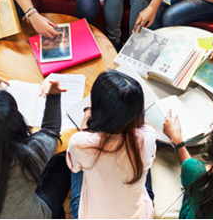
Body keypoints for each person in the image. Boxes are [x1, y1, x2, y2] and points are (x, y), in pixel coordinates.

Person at [0, 52, 71, 220]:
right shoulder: (29, 155)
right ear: (16, 122)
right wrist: (53, 95)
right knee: (61, 164)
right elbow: (50, 131)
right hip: (31, 216)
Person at [67, 70, 157, 220]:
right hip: (139, 216)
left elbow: (75, 167)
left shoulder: (81, 142)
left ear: (99, 110)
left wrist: (89, 109)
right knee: (142, 161)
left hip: (89, 216)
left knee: (76, 162)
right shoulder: (148, 135)